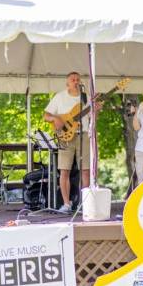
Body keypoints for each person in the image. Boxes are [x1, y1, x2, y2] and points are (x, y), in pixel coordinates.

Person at [44, 72, 97, 213]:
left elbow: (93, 116)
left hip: (84, 135)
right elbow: (46, 115)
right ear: (67, 83)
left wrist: (96, 110)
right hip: (65, 136)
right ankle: (66, 204)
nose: (76, 81)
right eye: (73, 80)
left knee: (86, 171)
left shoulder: (86, 97)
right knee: (64, 171)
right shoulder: (60, 97)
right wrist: (55, 119)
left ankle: (85, 204)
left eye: (78, 80)